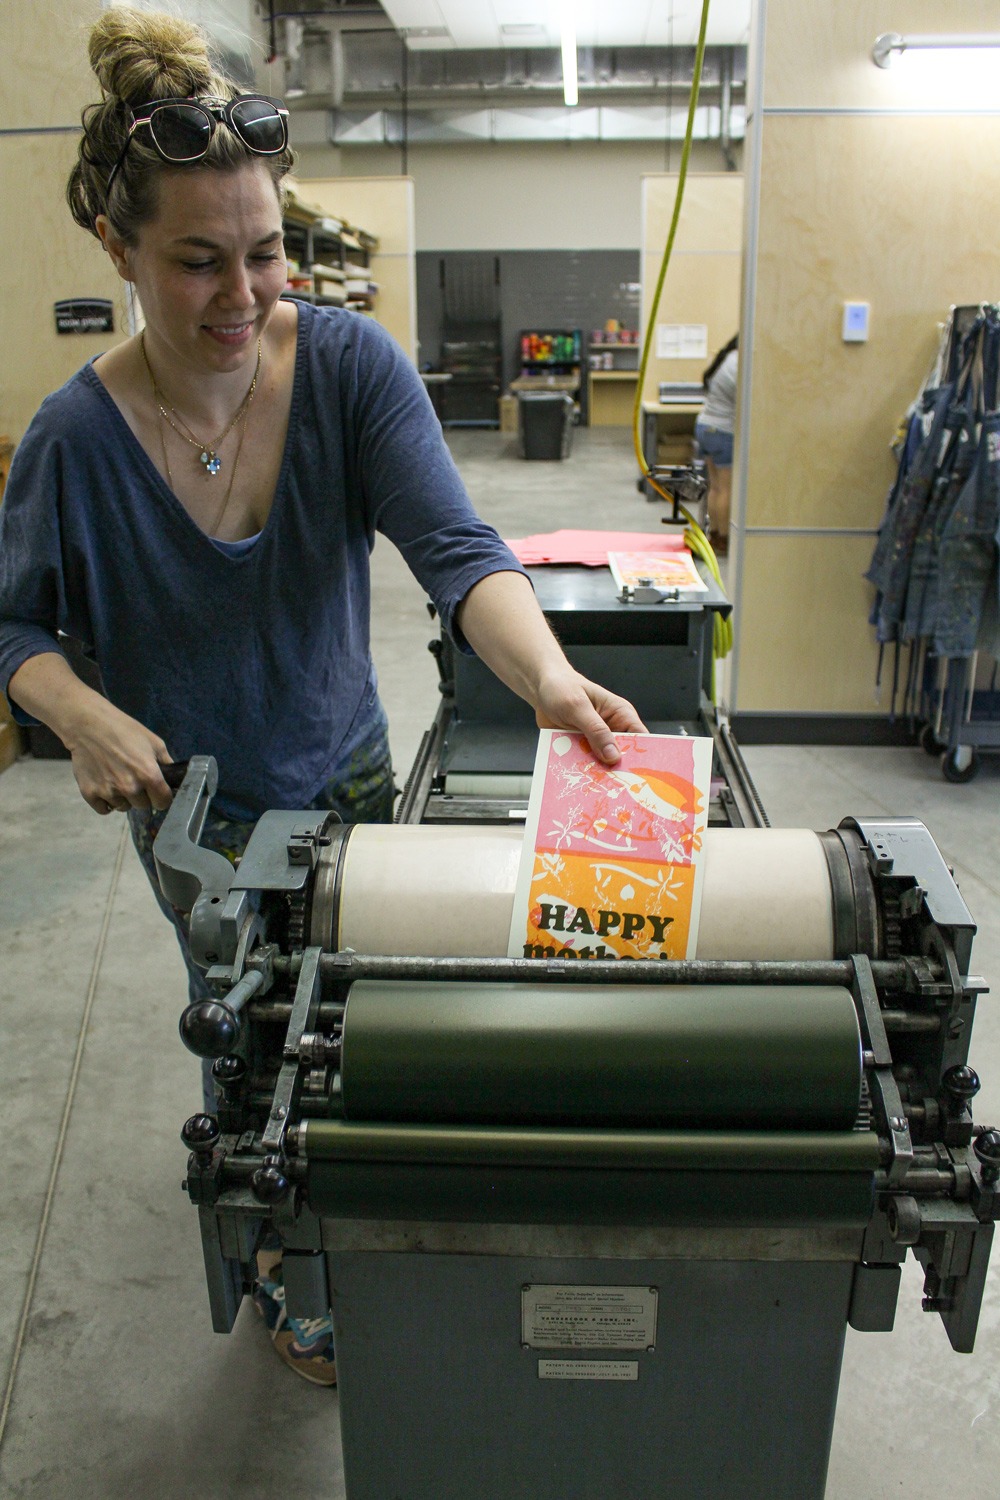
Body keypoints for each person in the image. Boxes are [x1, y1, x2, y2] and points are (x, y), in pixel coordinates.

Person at [0, 10, 645, 1387]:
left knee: (367, 1036)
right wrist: (80, 710)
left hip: (348, 778)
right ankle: (294, 1266)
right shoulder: (71, 441)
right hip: (199, 821)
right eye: (197, 261)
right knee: (246, 1046)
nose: (245, 293)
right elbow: (14, 628)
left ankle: (374, 1242)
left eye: (266, 249)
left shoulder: (348, 369)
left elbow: (459, 552)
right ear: (117, 250)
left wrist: (545, 678)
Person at [694, 334, 738, 555]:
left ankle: (715, 537)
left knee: (716, 487)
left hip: (705, 426)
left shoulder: (726, 358)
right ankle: (724, 539)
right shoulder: (740, 363)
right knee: (727, 490)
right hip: (722, 431)